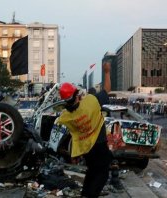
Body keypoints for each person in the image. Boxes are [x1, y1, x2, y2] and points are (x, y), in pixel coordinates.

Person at [57, 61, 113, 198]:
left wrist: (75, 154)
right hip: (99, 146)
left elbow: (73, 133)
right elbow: (107, 90)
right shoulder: (90, 101)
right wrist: (106, 72)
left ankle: (85, 194)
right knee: (102, 175)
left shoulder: (66, 116)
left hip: (87, 150)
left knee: (92, 171)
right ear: (76, 95)